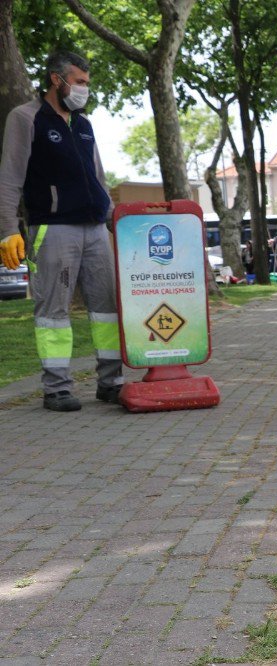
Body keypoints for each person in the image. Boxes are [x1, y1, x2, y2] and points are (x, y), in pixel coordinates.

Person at [0, 52, 123, 411]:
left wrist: (117, 219)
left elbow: (98, 178)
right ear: (57, 79)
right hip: (53, 230)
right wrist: (8, 228)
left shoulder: (84, 125)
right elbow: (9, 178)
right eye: (80, 82)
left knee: (107, 309)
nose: (84, 89)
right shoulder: (25, 118)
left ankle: (111, 382)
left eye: (87, 82)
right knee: (53, 311)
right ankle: (57, 388)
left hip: (96, 229)